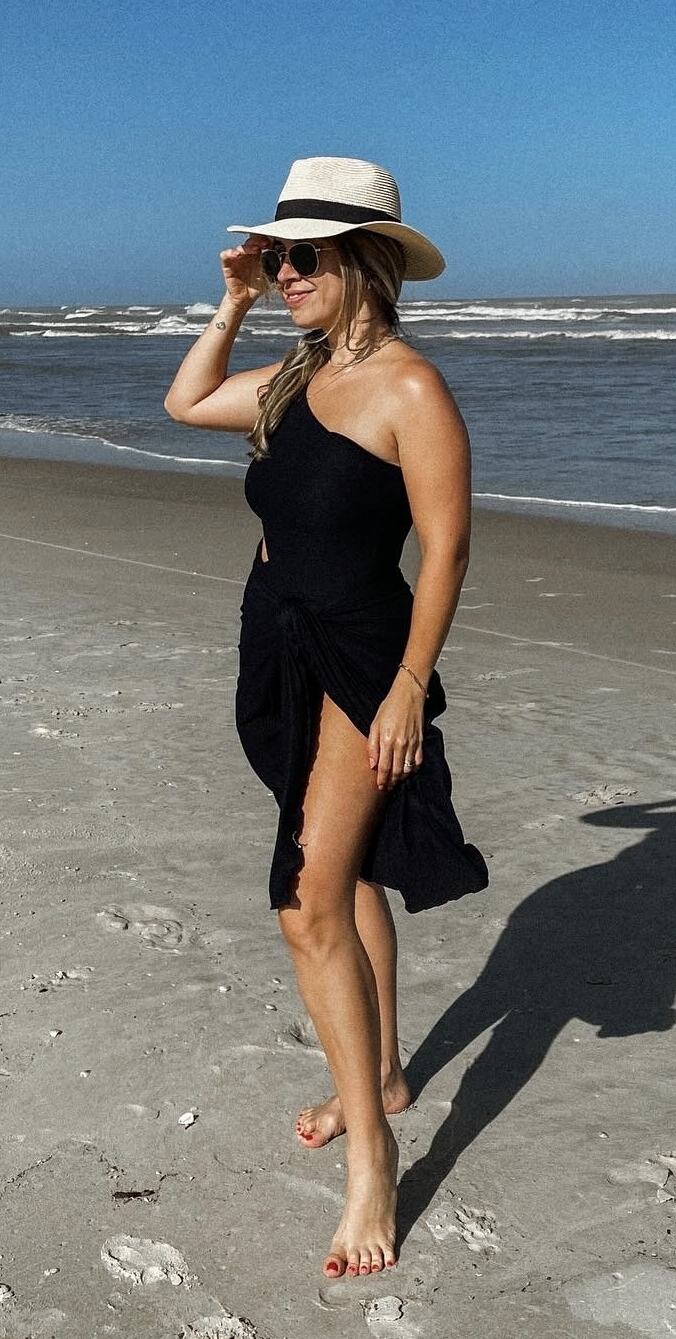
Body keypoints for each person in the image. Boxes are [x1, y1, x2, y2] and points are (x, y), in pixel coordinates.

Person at [165, 156, 488, 1280]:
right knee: (344, 879)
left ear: (365, 262)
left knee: (304, 902)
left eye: (302, 256)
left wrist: (406, 685)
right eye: (276, 256)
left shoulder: (411, 389)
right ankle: (382, 1074)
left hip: (359, 663)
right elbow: (184, 402)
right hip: (278, 650)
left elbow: (446, 549)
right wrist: (234, 299)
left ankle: (373, 1161)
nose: (285, 272)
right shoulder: (295, 376)